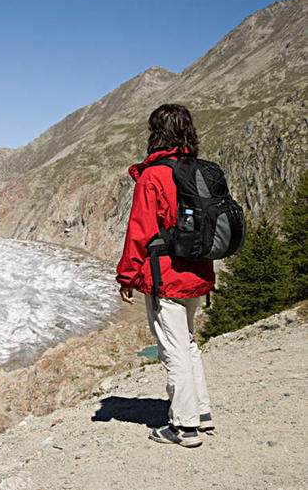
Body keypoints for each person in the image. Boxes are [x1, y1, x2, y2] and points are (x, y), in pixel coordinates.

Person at [116, 103, 215, 448]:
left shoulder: (153, 176)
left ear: (156, 133)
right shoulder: (199, 171)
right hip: (197, 273)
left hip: (166, 277)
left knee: (173, 349)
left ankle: (184, 426)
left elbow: (139, 233)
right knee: (187, 342)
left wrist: (126, 276)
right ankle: (201, 412)